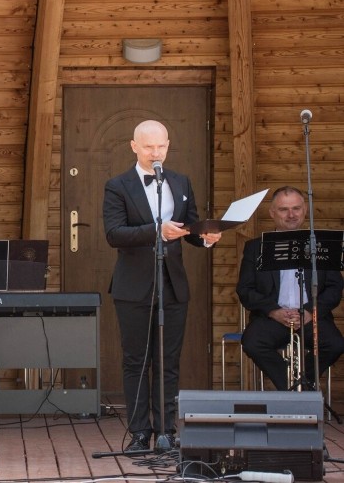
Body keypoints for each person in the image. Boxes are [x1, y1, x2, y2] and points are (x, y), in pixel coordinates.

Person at [102, 120, 221, 452]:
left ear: (168, 145)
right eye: (149, 147)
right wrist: (156, 230)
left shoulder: (181, 181)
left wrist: (206, 237)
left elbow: (190, 228)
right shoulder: (118, 185)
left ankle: (166, 430)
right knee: (136, 360)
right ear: (134, 146)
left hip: (173, 283)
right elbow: (114, 234)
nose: (156, 153)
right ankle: (140, 431)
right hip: (133, 286)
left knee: (168, 360)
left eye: (162, 146)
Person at [237, 186, 344, 391]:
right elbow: (245, 289)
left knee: (335, 344)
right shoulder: (256, 247)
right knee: (252, 342)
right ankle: (291, 387)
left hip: (310, 316)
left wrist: (311, 312)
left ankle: (306, 384)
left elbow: (334, 287)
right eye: (284, 209)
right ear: (272, 213)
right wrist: (273, 311)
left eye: (296, 208)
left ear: (305, 211)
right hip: (273, 317)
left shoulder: (320, 245)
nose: (291, 214)